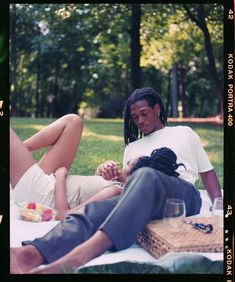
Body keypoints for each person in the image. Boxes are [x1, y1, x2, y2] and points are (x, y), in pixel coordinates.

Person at [10, 87, 222, 274]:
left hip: (180, 194)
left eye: (144, 114)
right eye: (135, 117)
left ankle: (80, 256)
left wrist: (219, 211)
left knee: (145, 175)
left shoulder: (184, 132)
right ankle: (32, 254)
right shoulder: (132, 148)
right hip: (141, 197)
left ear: (157, 109)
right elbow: (125, 183)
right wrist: (107, 172)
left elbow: (208, 173)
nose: (140, 121)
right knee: (95, 210)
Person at [10, 114, 123, 212]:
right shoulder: (121, 185)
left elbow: (63, 215)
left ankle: (17, 152)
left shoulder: (117, 192)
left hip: (45, 195)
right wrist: (102, 171)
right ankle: (20, 150)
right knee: (73, 122)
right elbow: (87, 194)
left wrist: (60, 178)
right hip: (49, 184)